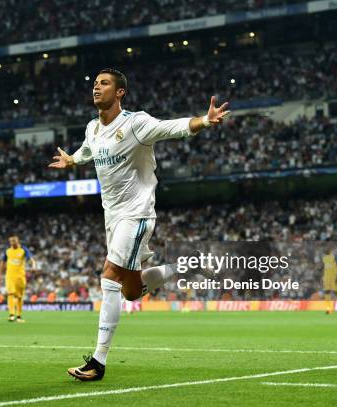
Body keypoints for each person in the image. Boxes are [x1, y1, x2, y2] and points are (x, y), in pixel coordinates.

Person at [48, 68, 229, 381]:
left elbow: (171, 128)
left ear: (120, 92)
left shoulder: (135, 123)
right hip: (113, 218)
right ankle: (188, 265)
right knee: (131, 292)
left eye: (104, 83)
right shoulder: (92, 128)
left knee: (109, 276)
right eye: (94, 83)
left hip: (137, 213)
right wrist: (72, 161)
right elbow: (88, 151)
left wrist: (204, 120)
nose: (96, 87)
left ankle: (98, 362)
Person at [0, 235, 36, 323]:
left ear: (17, 241)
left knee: (19, 297)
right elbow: (2, 263)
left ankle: (19, 316)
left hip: (20, 277)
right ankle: (11, 315)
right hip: (10, 276)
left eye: (14, 241)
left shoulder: (23, 250)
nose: (12, 243)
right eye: (11, 242)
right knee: (10, 294)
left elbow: (31, 259)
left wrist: (34, 265)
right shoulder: (7, 251)